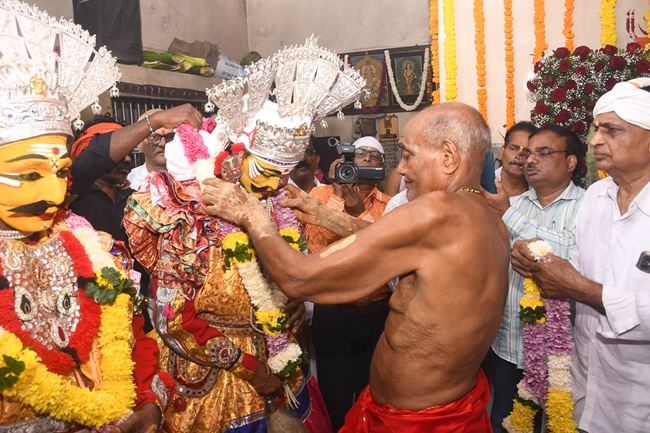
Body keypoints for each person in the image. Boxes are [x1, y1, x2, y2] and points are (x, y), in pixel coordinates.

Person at [202, 102, 510, 432]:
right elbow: (391, 242)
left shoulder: (437, 211)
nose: (402, 169)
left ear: (448, 156)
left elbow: (298, 277)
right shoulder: (491, 220)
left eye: (408, 154)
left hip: (416, 422)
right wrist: (320, 213)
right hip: (456, 405)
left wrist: (251, 215)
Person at [124, 36, 365, 433]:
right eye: (266, 171)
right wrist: (250, 368)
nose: (276, 184)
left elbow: (291, 275)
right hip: (213, 385)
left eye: (283, 174)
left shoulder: (280, 207)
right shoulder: (191, 215)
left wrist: (293, 306)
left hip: (282, 363)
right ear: (237, 158)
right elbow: (170, 319)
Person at [0, 2, 204, 432]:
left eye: (60, 173)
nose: (56, 192)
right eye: (31, 174)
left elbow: (132, 337)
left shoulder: (88, 248)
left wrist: (148, 404)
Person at [511, 77, 650, 433]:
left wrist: (585, 290)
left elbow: (582, 284)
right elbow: (576, 264)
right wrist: (539, 260)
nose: (595, 140)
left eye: (612, 130)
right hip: (581, 386)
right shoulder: (597, 196)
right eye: (596, 129)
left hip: (637, 403)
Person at [482, 125, 585, 432]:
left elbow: (567, 253)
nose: (529, 160)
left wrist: (509, 217)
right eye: (528, 153)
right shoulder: (516, 205)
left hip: (563, 355)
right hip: (510, 348)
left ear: (570, 162)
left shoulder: (588, 206)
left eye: (543, 153)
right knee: (505, 424)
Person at [305, 136, 391, 431]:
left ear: (382, 166)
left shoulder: (391, 206)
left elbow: (385, 253)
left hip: (377, 315)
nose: (366, 160)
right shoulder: (319, 196)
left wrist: (358, 213)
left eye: (374, 156)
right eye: (360, 154)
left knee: (374, 392)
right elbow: (317, 244)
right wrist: (337, 197)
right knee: (335, 396)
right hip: (333, 314)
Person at [127, 109, 169, 191]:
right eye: (154, 137)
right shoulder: (129, 182)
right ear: (139, 143)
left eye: (170, 136)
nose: (163, 143)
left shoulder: (193, 178)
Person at [494, 121, 538, 197]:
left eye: (526, 152)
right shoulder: (484, 185)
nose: (518, 155)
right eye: (513, 149)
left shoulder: (540, 191)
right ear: (502, 152)